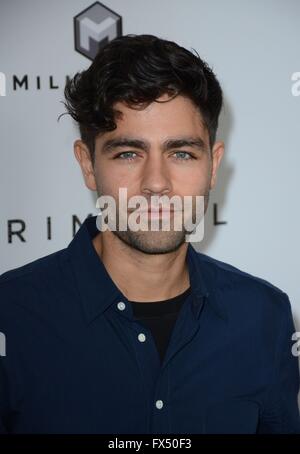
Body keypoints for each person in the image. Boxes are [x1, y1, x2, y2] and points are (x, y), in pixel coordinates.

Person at [0, 34, 299, 434]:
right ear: (88, 164)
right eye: (128, 153)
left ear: (213, 165)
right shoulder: (11, 317)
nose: (156, 183)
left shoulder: (265, 317)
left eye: (181, 153)